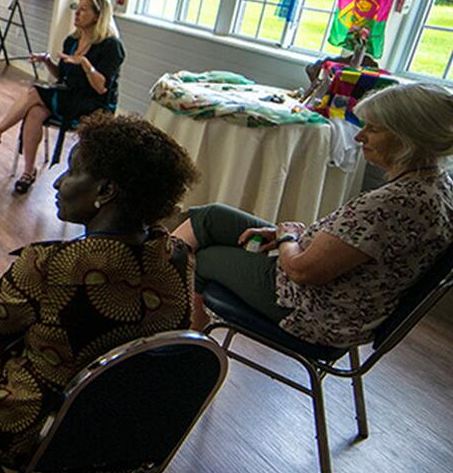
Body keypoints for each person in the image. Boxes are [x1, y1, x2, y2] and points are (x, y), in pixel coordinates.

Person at [0, 114, 197, 460]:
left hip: (29, 429)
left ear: (105, 190)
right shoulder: (176, 258)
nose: (58, 184)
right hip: (123, 428)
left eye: (72, 171)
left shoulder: (49, 264)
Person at [172, 83, 453, 348]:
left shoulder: (394, 204)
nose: (359, 136)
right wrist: (291, 236)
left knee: (203, 257)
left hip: (312, 310)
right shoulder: (436, 184)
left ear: (409, 139)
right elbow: (355, 244)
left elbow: (303, 271)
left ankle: (179, 338)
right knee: (213, 217)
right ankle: (153, 290)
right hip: (333, 295)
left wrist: (288, 237)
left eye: (374, 129)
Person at [0, 0, 124, 194]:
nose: (77, 13)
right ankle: (28, 171)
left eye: (83, 9)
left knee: (34, 93)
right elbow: (62, 76)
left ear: (98, 16)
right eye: (77, 7)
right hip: (69, 96)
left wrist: (86, 64)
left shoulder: (111, 46)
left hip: (93, 103)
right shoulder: (72, 41)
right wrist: (48, 61)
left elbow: (101, 88)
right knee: (35, 112)